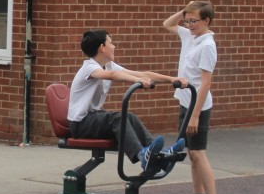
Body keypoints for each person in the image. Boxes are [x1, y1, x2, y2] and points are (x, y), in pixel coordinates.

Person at [67, 29, 180, 175]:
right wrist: (137, 80)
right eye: (111, 43)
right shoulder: (89, 67)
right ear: (102, 47)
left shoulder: (108, 65)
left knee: (129, 116)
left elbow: (143, 74)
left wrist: (172, 79)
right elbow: (112, 75)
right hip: (80, 124)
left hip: (92, 118)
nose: (114, 46)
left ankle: (159, 156)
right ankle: (142, 156)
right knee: (118, 118)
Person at [162, 1, 222, 194]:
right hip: (186, 102)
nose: (189, 25)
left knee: (198, 153)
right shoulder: (189, 36)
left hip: (199, 106)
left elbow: (206, 83)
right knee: (192, 154)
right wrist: (185, 10)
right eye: (187, 21)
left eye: (193, 21)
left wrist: (195, 115)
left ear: (207, 20)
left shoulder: (207, 45)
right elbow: (167, 24)